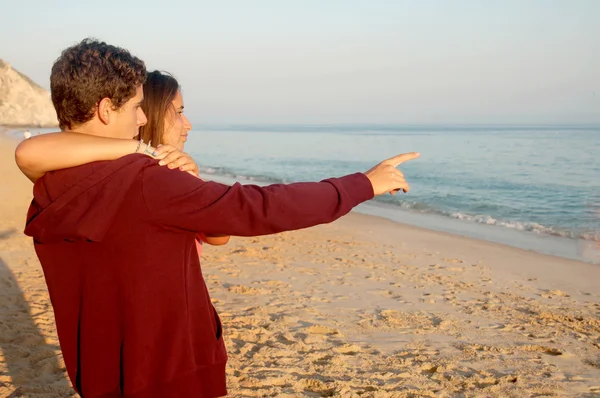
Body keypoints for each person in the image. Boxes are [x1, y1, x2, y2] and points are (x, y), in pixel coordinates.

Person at [15, 38, 419, 398]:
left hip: (97, 374)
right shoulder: (145, 182)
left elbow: (30, 154)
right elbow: (260, 207)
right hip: (170, 374)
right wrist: (361, 185)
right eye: (138, 108)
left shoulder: (50, 183)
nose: (142, 120)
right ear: (106, 109)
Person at [16, 70, 230, 249]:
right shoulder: (127, 173)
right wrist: (139, 148)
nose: (188, 124)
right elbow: (27, 152)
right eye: (179, 112)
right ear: (152, 113)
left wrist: (195, 181)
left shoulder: (167, 170)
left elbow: (218, 237)